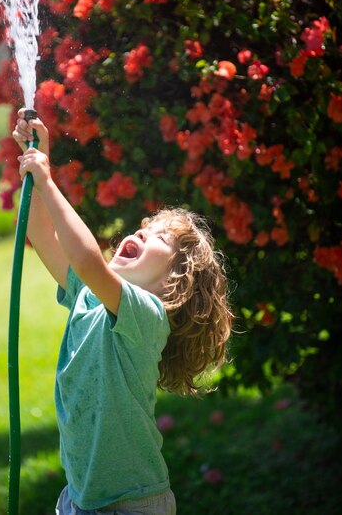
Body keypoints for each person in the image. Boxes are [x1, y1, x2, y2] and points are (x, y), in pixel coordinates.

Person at [13, 109, 233, 515]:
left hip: (133, 503)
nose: (141, 232)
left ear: (174, 284)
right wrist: (37, 163)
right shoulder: (88, 298)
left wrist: (47, 181)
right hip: (82, 497)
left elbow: (87, 261)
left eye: (160, 238)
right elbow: (43, 235)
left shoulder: (149, 317)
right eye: (144, 227)